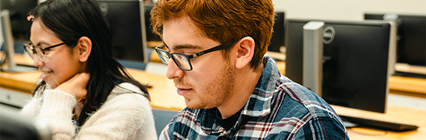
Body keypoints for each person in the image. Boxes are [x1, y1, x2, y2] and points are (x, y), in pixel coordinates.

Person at [151, 0, 350, 139]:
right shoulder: (185, 125)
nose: (171, 72)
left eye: (185, 55)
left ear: (242, 52)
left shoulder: (304, 127)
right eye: (169, 53)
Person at [20, 0, 157, 139]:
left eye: (44, 49)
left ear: (82, 49)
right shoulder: (56, 85)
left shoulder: (128, 105)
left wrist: (60, 99)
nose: (36, 62)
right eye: (33, 49)